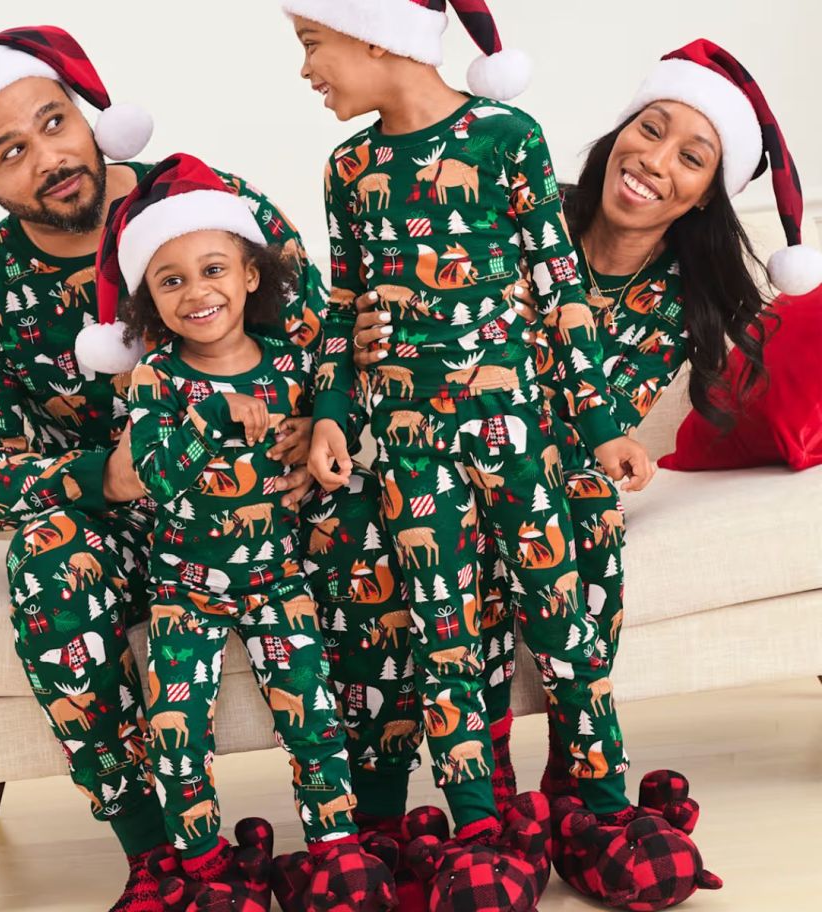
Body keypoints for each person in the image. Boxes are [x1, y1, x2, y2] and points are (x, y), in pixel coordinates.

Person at [351, 36, 822, 910]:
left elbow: (575, 414)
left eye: (692, 156)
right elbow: (409, 318)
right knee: (441, 538)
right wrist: (371, 334)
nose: (656, 161)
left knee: (579, 515)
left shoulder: (683, 296)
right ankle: (485, 802)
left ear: (708, 194)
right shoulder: (514, 214)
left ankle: (582, 790)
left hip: (559, 482)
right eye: (650, 129)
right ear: (618, 134)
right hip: (444, 464)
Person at [0, 26, 323, 911]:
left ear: (89, 116)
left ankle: (373, 827)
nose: (48, 157)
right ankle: (159, 858)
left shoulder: (210, 202)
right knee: (49, 554)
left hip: (270, 505)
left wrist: (309, 430)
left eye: (53, 123)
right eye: (10, 152)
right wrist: (104, 476)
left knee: (401, 516)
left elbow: (322, 337)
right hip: (133, 530)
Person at [283, 0, 652, 895]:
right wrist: (330, 413)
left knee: (561, 619)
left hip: (520, 436)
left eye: (312, 45)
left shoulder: (504, 137)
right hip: (409, 452)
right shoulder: (350, 168)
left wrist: (601, 424)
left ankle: (604, 806)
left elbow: (559, 284)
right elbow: (343, 310)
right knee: (443, 635)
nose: (305, 70)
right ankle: (479, 823)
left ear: (377, 37)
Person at [85, 152, 392, 907]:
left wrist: (314, 428)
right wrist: (209, 420)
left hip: (276, 579)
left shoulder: (290, 365)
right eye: (171, 280)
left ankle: (335, 851)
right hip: (185, 586)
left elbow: (340, 408)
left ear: (251, 276)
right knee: (178, 730)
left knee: (314, 717)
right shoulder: (157, 378)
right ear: (149, 304)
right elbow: (151, 471)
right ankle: (199, 868)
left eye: (214, 269)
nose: (197, 292)